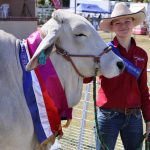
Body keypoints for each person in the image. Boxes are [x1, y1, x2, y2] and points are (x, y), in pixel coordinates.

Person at [95, 2, 150, 150]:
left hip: (134, 117)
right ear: (112, 27)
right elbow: (87, 77)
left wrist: (148, 120)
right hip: (108, 116)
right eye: (117, 22)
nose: (123, 25)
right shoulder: (104, 51)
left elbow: (143, 90)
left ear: (133, 23)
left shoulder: (142, 55)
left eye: (127, 21)